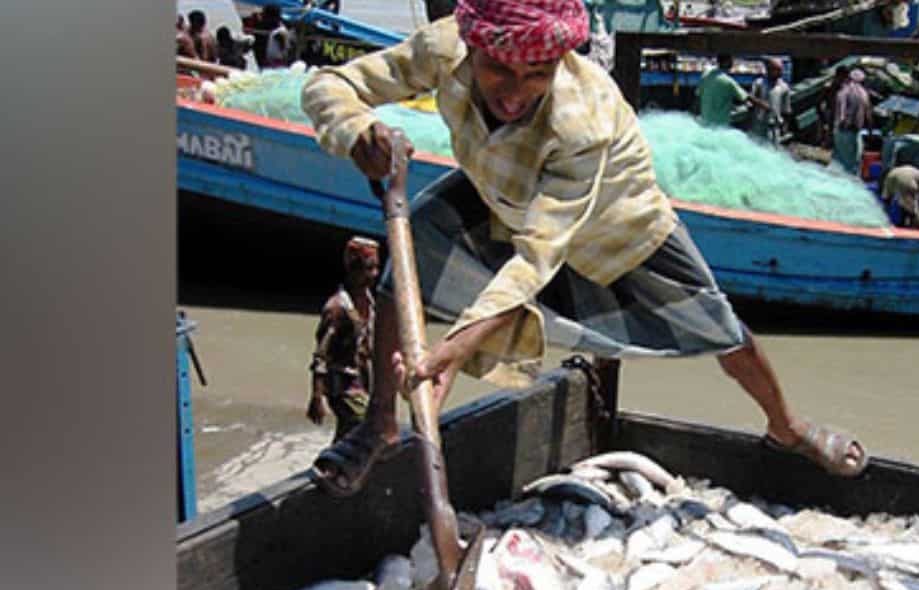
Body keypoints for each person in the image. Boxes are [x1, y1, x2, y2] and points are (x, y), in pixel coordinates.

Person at [299, 0, 870, 497]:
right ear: (471, 47)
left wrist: (452, 348)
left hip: (618, 225)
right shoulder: (442, 47)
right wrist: (356, 133)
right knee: (413, 245)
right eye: (498, 69)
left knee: (722, 330)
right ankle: (381, 425)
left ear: (557, 62)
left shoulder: (581, 120)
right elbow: (329, 85)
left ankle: (787, 427)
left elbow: (535, 260)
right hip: (501, 190)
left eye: (536, 74)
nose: (514, 94)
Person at [307, 238, 381, 442]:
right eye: (369, 268)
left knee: (349, 433)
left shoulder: (368, 299)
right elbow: (321, 356)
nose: (374, 274)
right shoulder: (337, 308)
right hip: (342, 385)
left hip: (362, 379)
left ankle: (331, 460)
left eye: (376, 267)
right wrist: (316, 397)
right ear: (354, 269)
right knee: (364, 425)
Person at [695, 53, 772, 129]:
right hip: (720, 122)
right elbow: (747, 97)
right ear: (726, 62)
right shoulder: (729, 82)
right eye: (731, 60)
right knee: (748, 109)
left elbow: (698, 95)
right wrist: (764, 106)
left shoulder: (706, 74)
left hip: (706, 119)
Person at [832, 67, 873, 175]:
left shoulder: (842, 91)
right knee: (852, 166)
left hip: (840, 131)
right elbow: (868, 115)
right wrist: (870, 132)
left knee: (837, 162)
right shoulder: (863, 93)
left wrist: (839, 124)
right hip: (852, 132)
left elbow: (840, 110)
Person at [749, 57, 792, 146]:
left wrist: (785, 127)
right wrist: (761, 104)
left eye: (780, 70)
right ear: (769, 69)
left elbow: (786, 110)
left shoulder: (784, 87)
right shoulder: (758, 83)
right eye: (777, 70)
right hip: (758, 125)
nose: (780, 72)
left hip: (774, 127)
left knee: (772, 150)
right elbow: (750, 99)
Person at [881, 164, 919, 229]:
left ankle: (901, 223)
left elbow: (886, 198)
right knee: (912, 209)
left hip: (896, 176)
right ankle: (917, 224)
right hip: (910, 181)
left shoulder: (890, 175)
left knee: (904, 203)